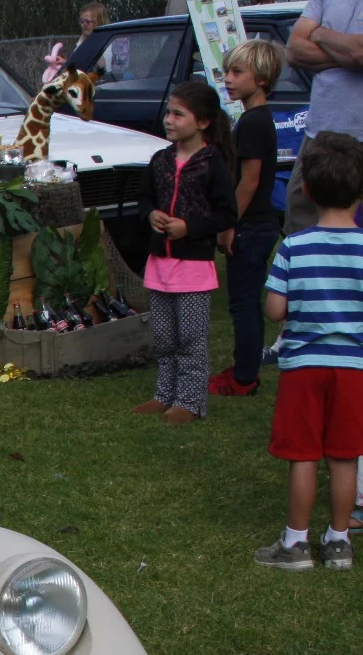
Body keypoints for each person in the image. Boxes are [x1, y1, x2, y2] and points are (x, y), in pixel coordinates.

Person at [255, 132, 363, 570]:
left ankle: (295, 544)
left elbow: (275, 309)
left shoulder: (293, 248)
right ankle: (339, 541)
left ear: (308, 190)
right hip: (354, 370)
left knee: (303, 455)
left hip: (303, 368)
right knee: (344, 455)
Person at [132, 81, 237, 425]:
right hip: (159, 264)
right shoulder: (160, 160)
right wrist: (151, 215)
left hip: (192, 266)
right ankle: (164, 394)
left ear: (203, 122)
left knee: (190, 337)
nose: (169, 120)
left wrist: (188, 227)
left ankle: (191, 401)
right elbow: (144, 199)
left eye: (179, 114)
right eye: (168, 113)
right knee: (164, 336)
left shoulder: (212, 163)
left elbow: (226, 214)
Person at [210, 39, 286, 398]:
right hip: (256, 225)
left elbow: (249, 181)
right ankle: (246, 368)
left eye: (237, 72)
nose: (228, 79)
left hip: (251, 226)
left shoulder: (254, 123)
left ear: (261, 79)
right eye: (227, 71)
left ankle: (243, 377)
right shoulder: (254, 119)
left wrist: (228, 225)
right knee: (246, 301)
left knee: (242, 304)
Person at [284, 0, 363, 234]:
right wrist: (347, 58)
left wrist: (318, 34)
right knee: (300, 220)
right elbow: (293, 51)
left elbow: (360, 54)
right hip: (319, 132)